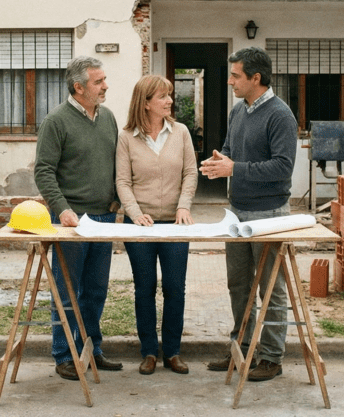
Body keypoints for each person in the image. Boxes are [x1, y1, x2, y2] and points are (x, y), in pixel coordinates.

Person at [199, 46, 298, 382]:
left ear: (256, 78)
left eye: (236, 76)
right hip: (237, 213)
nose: (230, 82)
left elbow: (283, 168)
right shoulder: (238, 111)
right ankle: (242, 347)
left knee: (270, 287)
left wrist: (235, 168)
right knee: (238, 285)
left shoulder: (281, 115)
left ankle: (271, 357)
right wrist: (220, 161)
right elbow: (230, 149)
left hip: (269, 214)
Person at [34, 56, 123, 380]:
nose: (105, 86)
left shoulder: (108, 117)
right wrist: (63, 209)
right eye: (99, 82)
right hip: (71, 221)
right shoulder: (56, 121)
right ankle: (64, 354)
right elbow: (43, 171)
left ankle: (91, 349)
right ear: (79, 87)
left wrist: (117, 199)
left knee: (96, 289)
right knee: (67, 289)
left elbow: (116, 162)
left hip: (103, 219)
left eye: (103, 80)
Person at [115, 75, 197, 376]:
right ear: (146, 102)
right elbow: (122, 181)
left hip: (176, 225)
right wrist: (135, 213)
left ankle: (172, 352)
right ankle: (149, 351)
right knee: (144, 289)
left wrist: (183, 205)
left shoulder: (181, 132)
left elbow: (190, 173)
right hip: (140, 227)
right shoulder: (126, 137)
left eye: (170, 95)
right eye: (163, 96)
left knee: (176, 289)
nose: (170, 101)